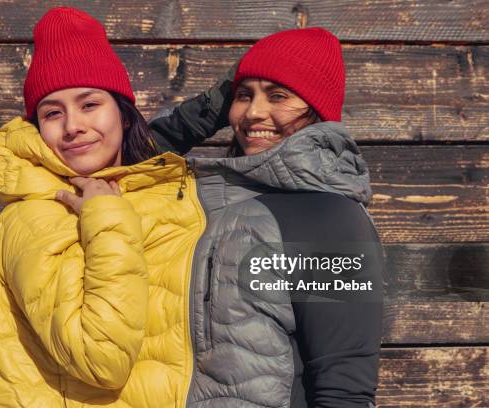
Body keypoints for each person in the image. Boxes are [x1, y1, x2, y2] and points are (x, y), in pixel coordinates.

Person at [0, 7, 208, 407]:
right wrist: (106, 217)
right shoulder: (34, 217)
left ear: (125, 114)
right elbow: (101, 360)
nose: (72, 126)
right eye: (52, 113)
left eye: (89, 104)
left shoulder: (147, 192)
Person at [150, 27, 384, 407]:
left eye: (278, 96)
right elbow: (114, 165)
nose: (254, 112)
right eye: (243, 95)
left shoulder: (332, 219)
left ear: (317, 110)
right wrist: (209, 109)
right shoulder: (204, 200)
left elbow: (345, 390)